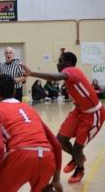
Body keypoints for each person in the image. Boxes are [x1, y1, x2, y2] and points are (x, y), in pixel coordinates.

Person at [20, 52, 105, 183]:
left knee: (77, 148)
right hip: (79, 111)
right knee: (60, 140)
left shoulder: (71, 71)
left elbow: (57, 76)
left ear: (68, 63)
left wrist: (32, 73)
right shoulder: (71, 73)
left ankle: (80, 168)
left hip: (93, 114)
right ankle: (78, 157)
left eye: (60, 61)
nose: (57, 63)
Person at [0, 74, 62, 192]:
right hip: (46, 157)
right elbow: (56, 144)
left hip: (20, 156)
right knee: (45, 189)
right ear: (14, 92)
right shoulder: (30, 110)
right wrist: (56, 179)